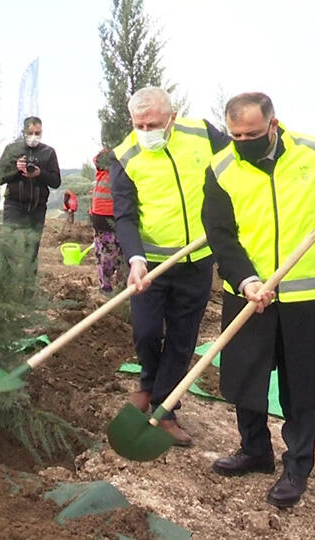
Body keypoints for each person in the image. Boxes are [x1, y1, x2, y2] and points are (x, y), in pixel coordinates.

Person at [202, 92, 315, 508]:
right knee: (244, 379)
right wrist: (246, 280)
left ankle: (297, 467)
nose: (243, 140)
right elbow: (220, 233)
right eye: (235, 134)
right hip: (250, 294)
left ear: (273, 124)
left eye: (251, 132)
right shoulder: (222, 167)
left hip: (308, 295)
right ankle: (255, 451)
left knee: (301, 387)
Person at [110, 86, 230, 446]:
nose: (145, 131)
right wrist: (135, 258)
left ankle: (165, 406)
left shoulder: (203, 135)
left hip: (196, 258)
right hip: (150, 264)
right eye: (139, 124)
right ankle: (148, 383)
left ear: (172, 117)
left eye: (153, 124)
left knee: (182, 338)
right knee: (146, 332)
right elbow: (125, 216)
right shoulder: (125, 156)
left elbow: (241, 161)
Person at [0, 116, 61, 273]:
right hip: (14, 205)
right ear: (24, 132)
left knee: (31, 252)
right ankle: (4, 287)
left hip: (37, 208)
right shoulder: (12, 150)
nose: (34, 136)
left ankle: (28, 291)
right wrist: (16, 169)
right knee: (9, 246)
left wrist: (39, 173)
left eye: (37, 133)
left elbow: (56, 182)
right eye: (30, 132)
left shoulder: (48, 152)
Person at [89, 149, 123, 296]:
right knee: (105, 257)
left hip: (123, 213)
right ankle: (106, 287)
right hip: (103, 216)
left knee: (123, 253)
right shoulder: (105, 157)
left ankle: (123, 287)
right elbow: (98, 159)